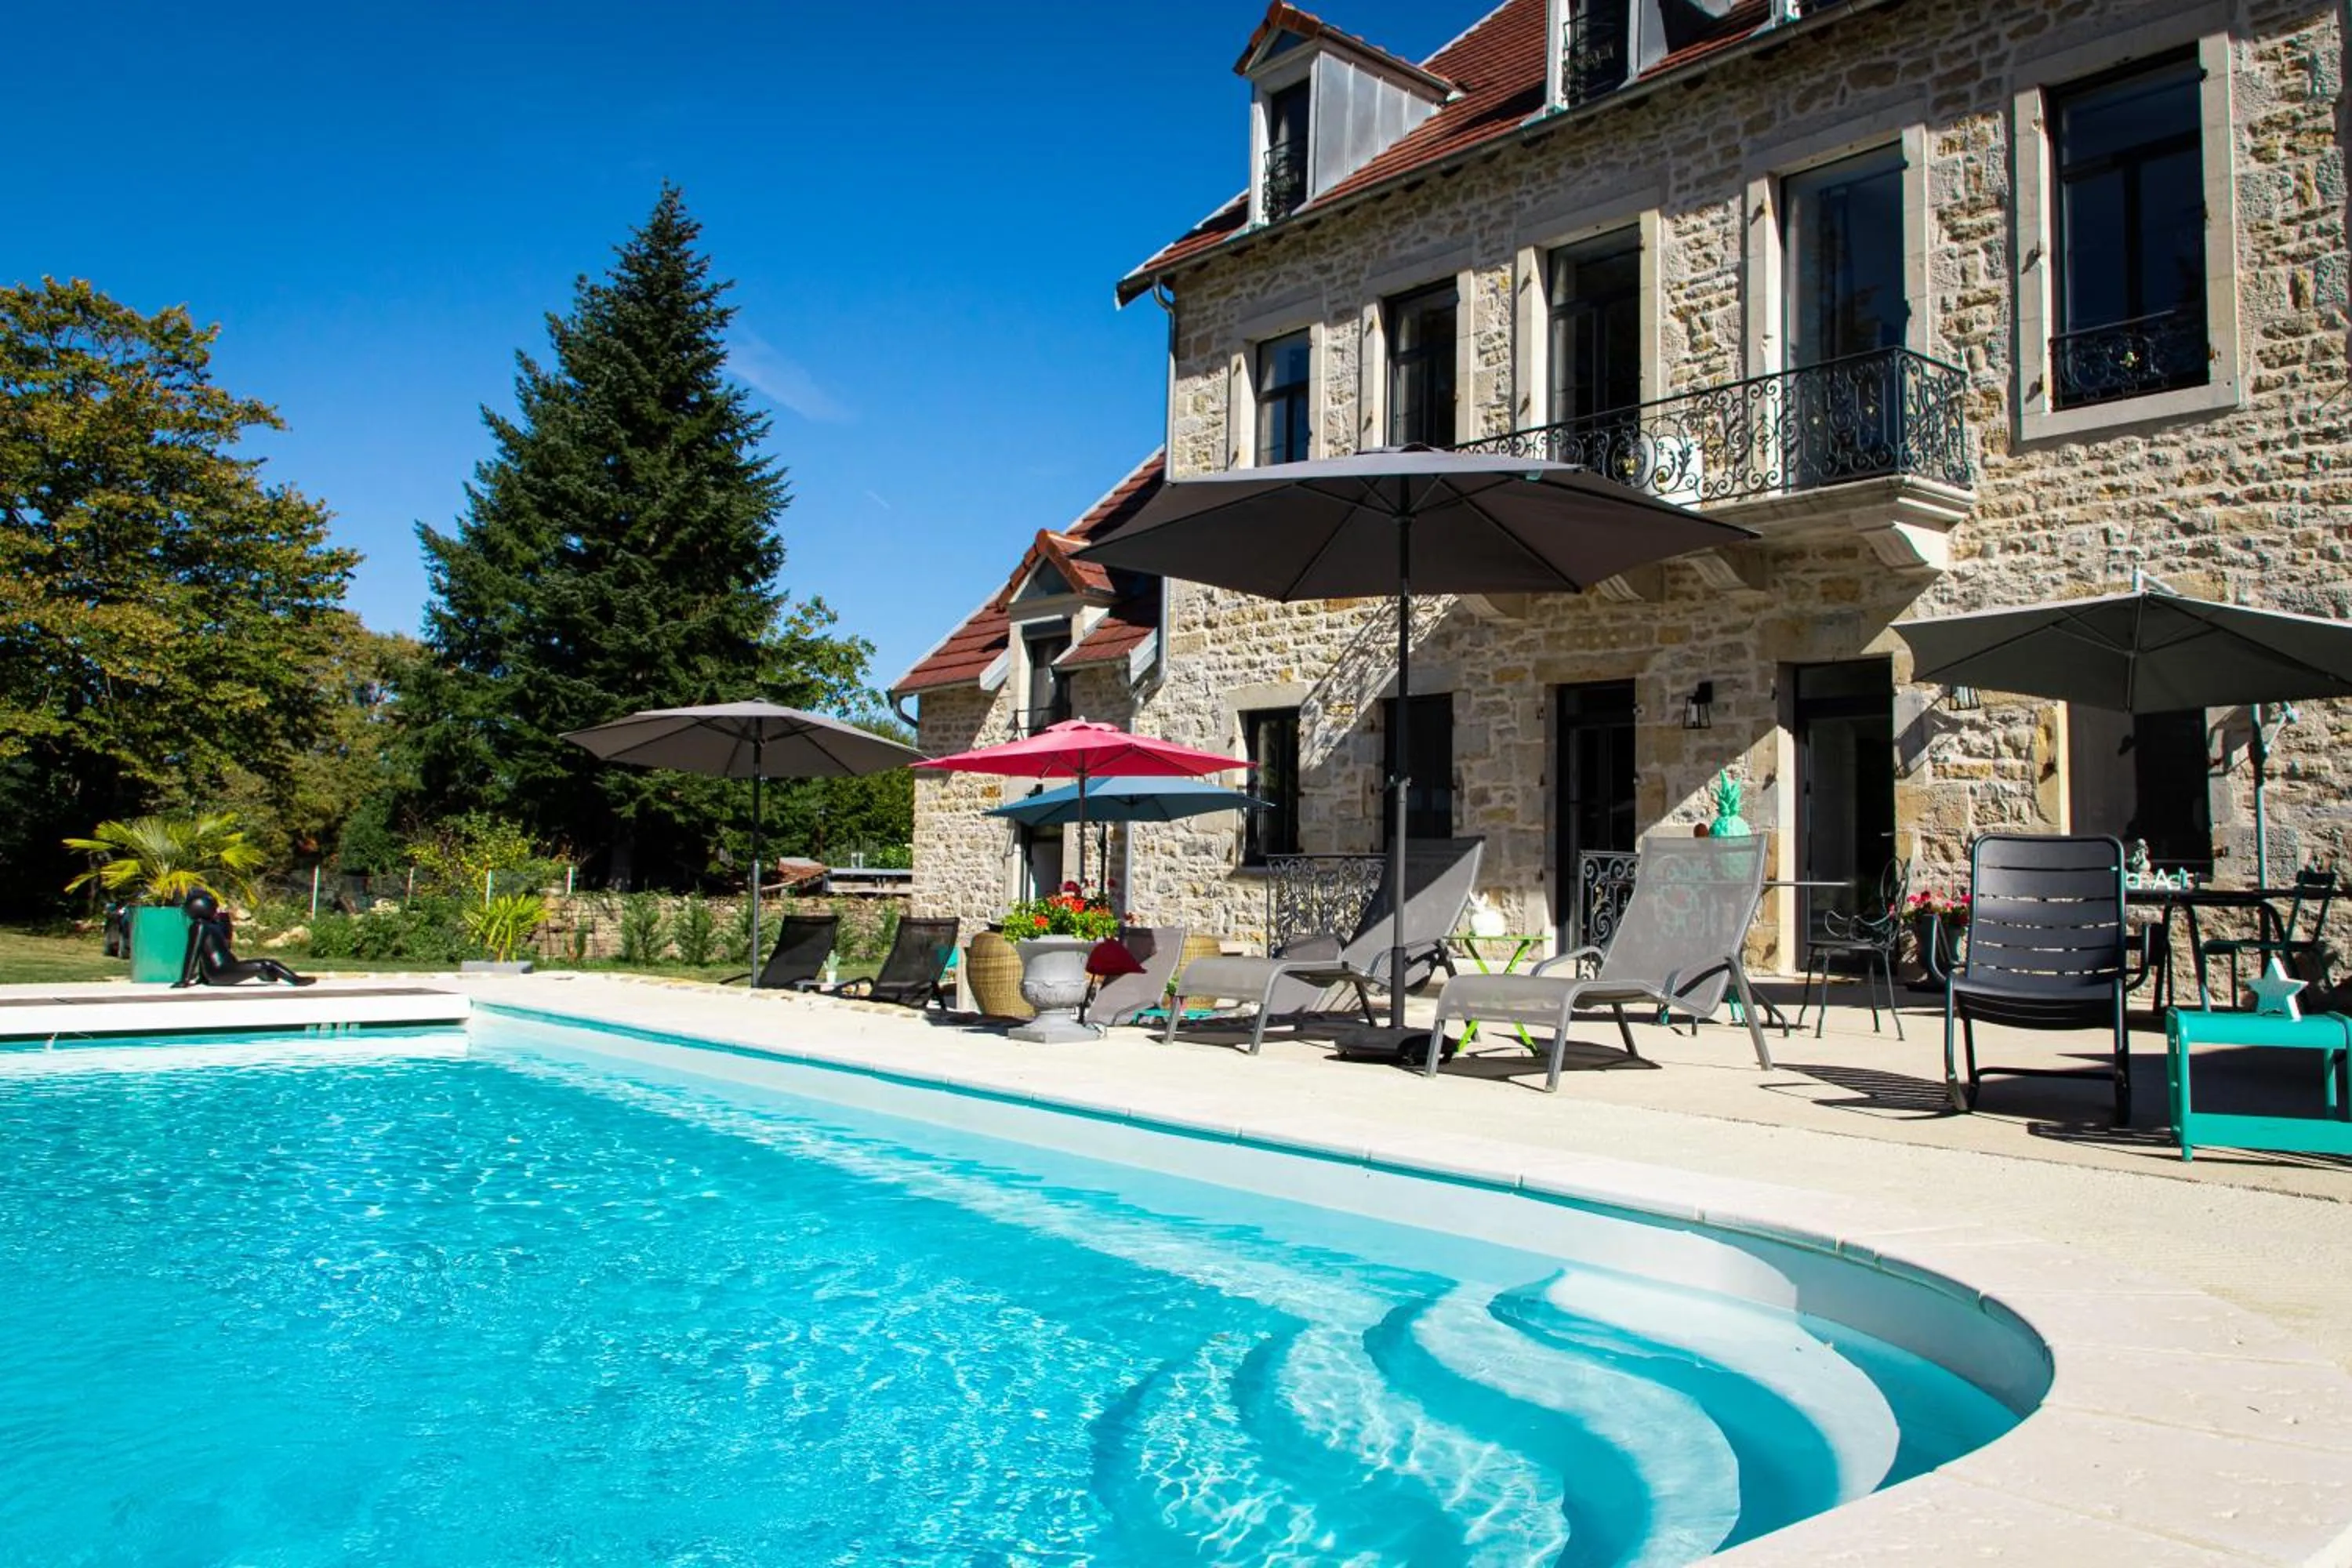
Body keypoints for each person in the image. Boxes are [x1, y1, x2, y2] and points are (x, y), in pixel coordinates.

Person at [175, 890, 314, 987]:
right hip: (220, 972)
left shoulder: (210, 925)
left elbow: (225, 945)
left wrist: (224, 918)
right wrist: (185, 980)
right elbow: (193, 953)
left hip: (223, 970)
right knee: (267, 963)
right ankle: (296, 980)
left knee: (265, 971)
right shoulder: (199, 926)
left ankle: (266, 975)